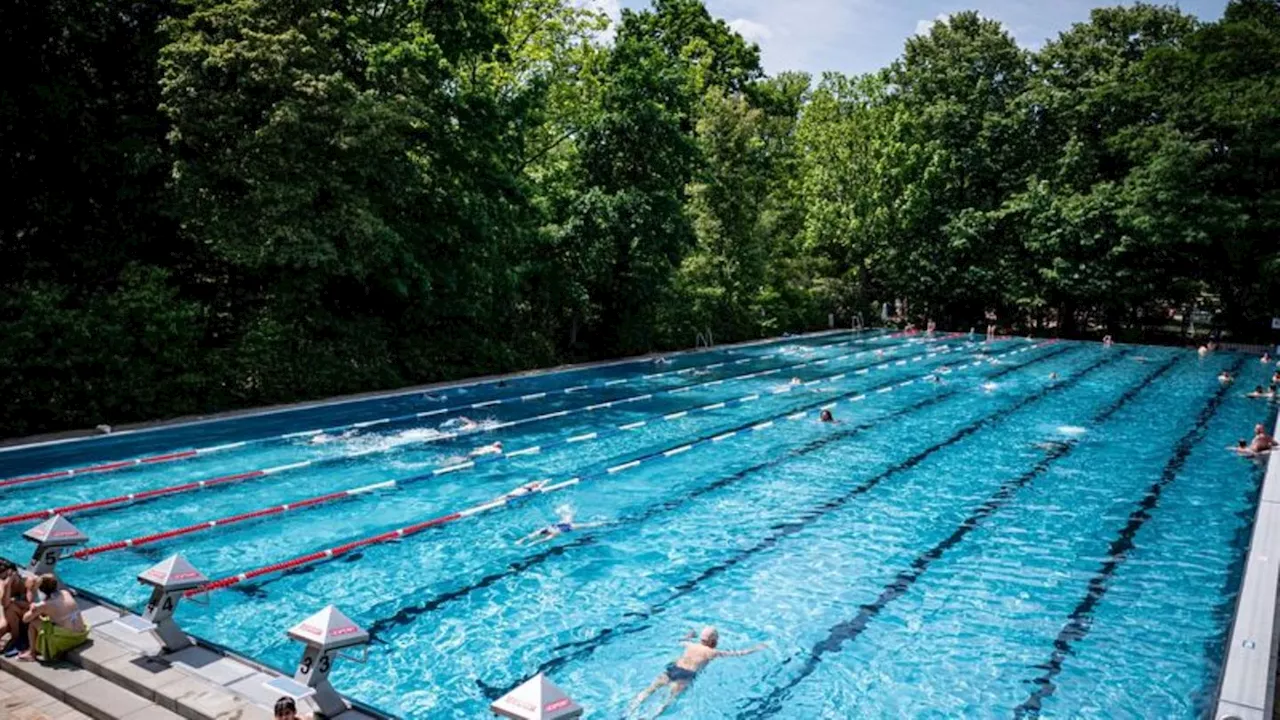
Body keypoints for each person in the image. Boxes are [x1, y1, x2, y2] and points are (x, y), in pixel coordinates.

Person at [629, 627, 766, 718]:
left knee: (649, 690)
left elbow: (681, 640)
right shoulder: (712, 652)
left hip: (673, 669)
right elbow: (738, 654)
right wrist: (755, 649)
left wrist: (689, 635)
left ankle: (632, 708)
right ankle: (652, 716)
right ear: (714, 641)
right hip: (685, 675)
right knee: (668, 700)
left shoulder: (690, 645)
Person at [18, 575, 88, 662]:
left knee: (33, 622)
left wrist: (30, 591)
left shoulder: (44, 605)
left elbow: (25, 619)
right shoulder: (65, 593)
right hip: (81, 635)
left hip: (68, 640)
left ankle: (32, 653)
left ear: (41, 589)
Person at [516, 507, 607, 546]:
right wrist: (522, 541)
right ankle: (601, 523)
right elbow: (535, 538)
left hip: (567, 526)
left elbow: (540, 540)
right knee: (584, 524)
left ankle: (601, 523)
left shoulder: (550, 533)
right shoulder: (548, 532)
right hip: (566, 526)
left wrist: (527, 542)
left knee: (587, 525)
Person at [0, 561, 30, 654]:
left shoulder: (28, 581)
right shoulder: (3, 584)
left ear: (15, 573)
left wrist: (16, 602)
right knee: (2, 627)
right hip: (12, 617)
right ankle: (15, 638)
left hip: (28, 615)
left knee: (11, 606)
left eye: (6, 577)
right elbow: (5, 604)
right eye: (2, 578)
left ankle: (15, 639)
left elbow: (31, 605)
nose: (5, 580)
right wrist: (7, 585)